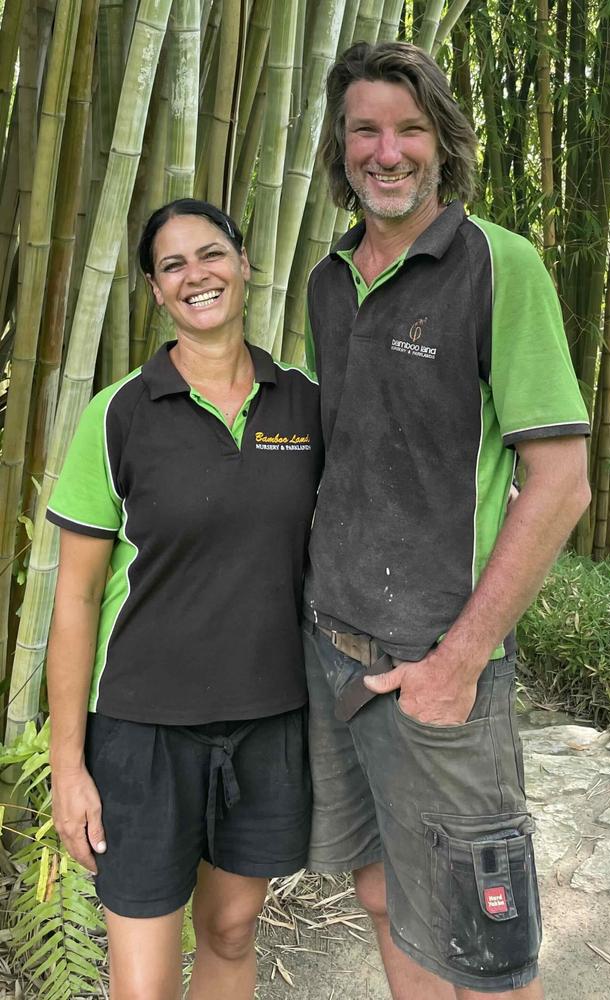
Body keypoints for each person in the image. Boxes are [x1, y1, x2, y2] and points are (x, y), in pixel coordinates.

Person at [302, 41, 591, 1000]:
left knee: (487, 947)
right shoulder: (329, 280)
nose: (387, 151)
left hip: (436, 663)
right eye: (365, 130)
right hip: (334, 649)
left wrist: (459, 661)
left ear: (442, 141)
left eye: (410, 129)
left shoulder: (498, 266)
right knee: (383, 895)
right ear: (339, 147)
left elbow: (561, 482)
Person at [46, 198, 323, 1000]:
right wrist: (70, 765)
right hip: (141, 733)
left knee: (233, 935)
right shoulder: (120, 414)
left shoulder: (305, 404)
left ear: (244, 262)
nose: (196, 275)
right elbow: (76, 599)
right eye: (173, 266)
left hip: (268, 721)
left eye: (211, 254)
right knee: (142, 984)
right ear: (156, 293)